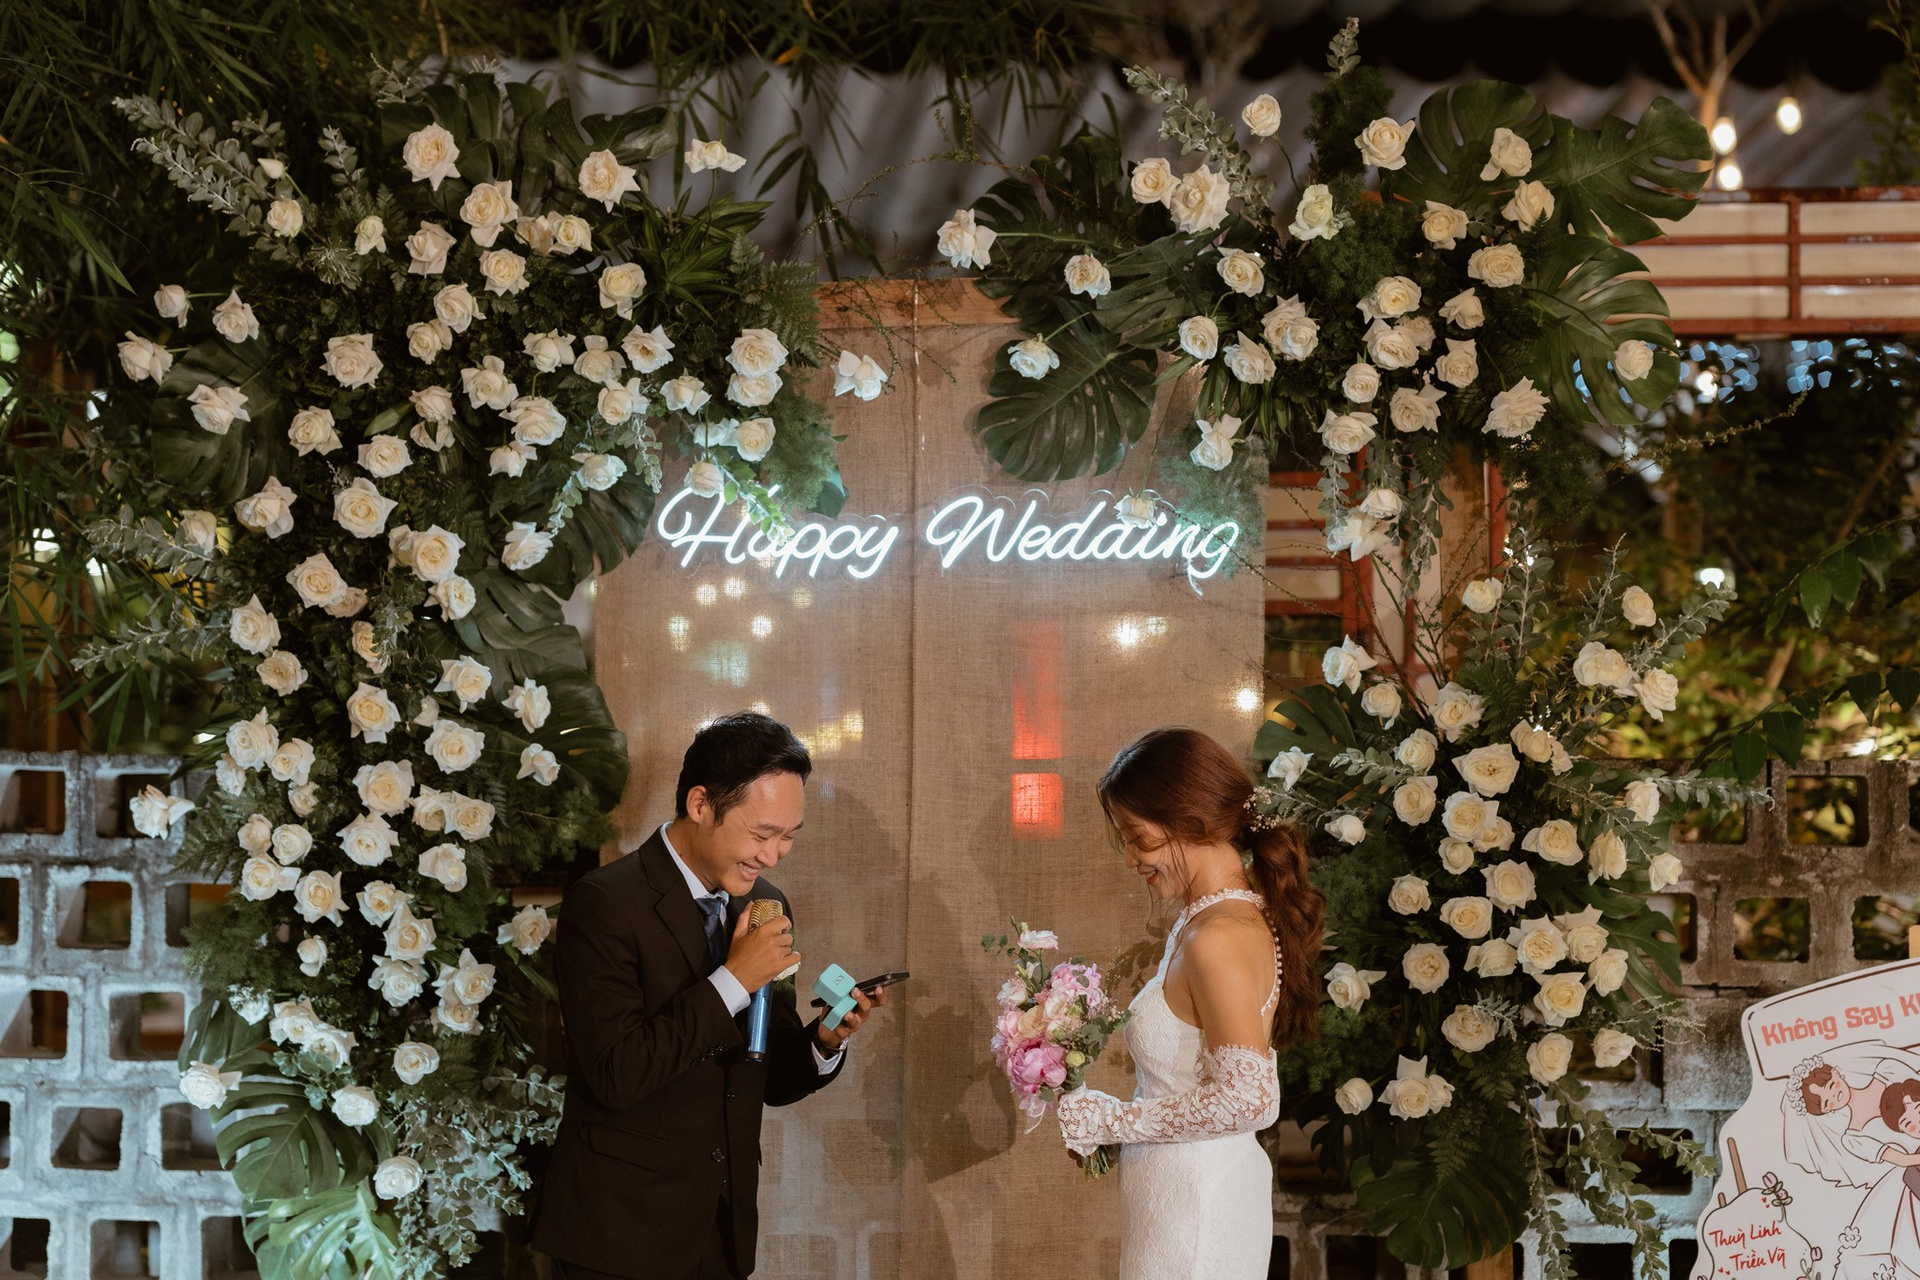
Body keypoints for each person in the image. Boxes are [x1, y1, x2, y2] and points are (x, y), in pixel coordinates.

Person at [529, 712, 886, 1279]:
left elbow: (765, 1075)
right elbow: (615, 1074)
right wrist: (734, 981)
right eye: (761, 834)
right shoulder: (604, 903)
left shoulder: (766, 905)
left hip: (722, 1232)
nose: (774, 855)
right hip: (619, 1234)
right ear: (700, 804)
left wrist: (824, 1041)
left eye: (789, 836)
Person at [1055, 727, 1324, 1279]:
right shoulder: (1205, 919)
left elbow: (1250, 1100)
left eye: (1138, 838)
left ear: (1190, 821)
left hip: (1198, 1212)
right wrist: (1111, 1129)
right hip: (1176, 1201)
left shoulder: (1218, 936)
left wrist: (1114, 1119)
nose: (1130, 859)